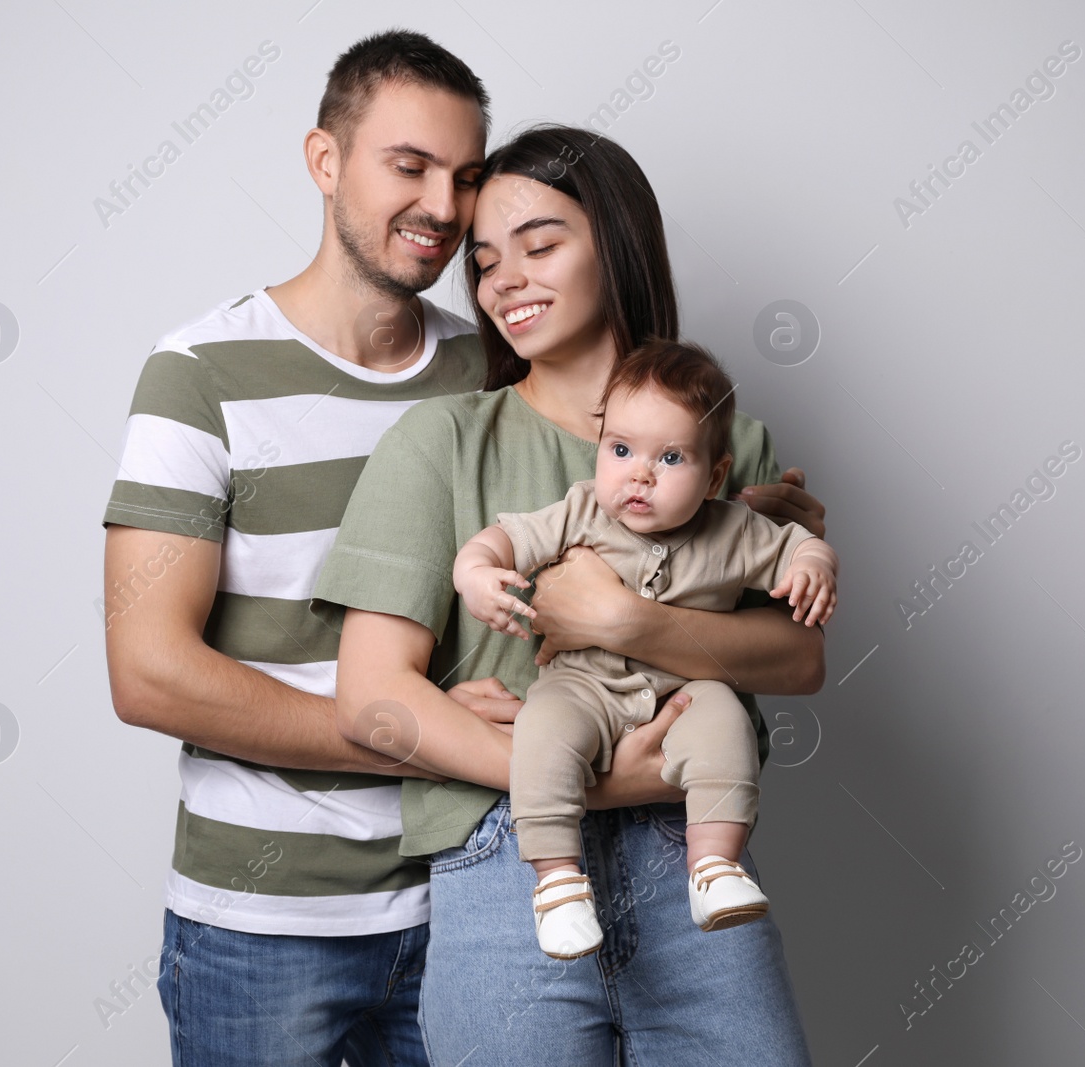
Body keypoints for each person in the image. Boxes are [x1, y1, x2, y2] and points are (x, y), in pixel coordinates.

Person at [315, 124, 826, 1065]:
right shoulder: (442, 445)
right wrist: (591, 778)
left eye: (541, 244)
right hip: (507, 861)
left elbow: (798, 658)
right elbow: (372, 697)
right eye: (485, 260)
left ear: (619, 243)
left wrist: (625, 620)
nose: (505, 278)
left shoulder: (728, 443)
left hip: (694, 852)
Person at [100, 30, 516, 1067]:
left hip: (473, 904)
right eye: (407, 165)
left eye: (464, 177)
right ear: (324, 162)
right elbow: (149, 670)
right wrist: (407, 730)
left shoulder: (494, 370)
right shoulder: (201, 370)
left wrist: (748, 515)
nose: (442, 207)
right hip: (258, 928)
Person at [452, 339, 839, 959]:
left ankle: (713, 867)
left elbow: (797, 545)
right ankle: (556, 883)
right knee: (543, 730)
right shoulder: (582, 509)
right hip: (583, 685)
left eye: (671, 457)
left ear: (715, 475)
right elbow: (503, 539)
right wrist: (475, 572)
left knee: (724, 721)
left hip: (681, 690)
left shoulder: (732, 528)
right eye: (622, 449)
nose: (640, 474)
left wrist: (815, 563)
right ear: (600, 446)